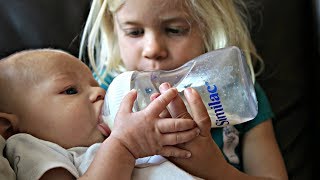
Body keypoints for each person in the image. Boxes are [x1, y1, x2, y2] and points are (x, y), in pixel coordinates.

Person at [79, 0, 289, 179]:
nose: (152, 49)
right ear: (113, 28)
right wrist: (123, 143)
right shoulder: (102, 94)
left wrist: (216, 170)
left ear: (210, 25)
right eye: (134, 32)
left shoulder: (238, 92)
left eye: (174, 30)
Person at [0, 48, 207, 179]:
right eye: (71, 90)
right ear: (9, 127)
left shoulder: (119, 139)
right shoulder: (31, 146)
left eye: (96, 85)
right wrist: (124, 145)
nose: (100, 92)